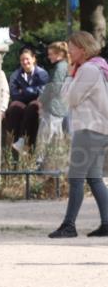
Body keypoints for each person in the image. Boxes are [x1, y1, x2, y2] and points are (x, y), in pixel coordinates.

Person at [48, 31, 108, 239]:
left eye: (71, 47)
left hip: (90, 129)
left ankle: (69, 225)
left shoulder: (88, 70)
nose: (69, 51)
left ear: (82, 49)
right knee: (94, 178)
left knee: (76, 177)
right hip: (97, 128)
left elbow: (70, 99)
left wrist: (69, 75)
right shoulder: (93, 68)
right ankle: (107, 224)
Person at [5, 47, 49, 153]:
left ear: (33, 58)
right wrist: (32, 91)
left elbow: (43, 91)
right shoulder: (16, 75)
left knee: (32, 107)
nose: (25, 62)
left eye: (27, 59)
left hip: (38, 102)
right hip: (21, 102)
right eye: (22, 60)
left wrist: (24, 91)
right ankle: (11, 143)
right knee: (14, 108)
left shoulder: (42, 73)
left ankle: (25, 142)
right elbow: (14, 94)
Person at [35, 41, 70, 166]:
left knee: (45, 137)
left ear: (60, 54)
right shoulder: (64, 66)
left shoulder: (60, 67)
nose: (48, 56)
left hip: (53, 107)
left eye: (51, 54)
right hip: (59, 107)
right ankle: (54, 165)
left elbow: (54, 88)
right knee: (56, 138)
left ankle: (39, 164)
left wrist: (41, 101)